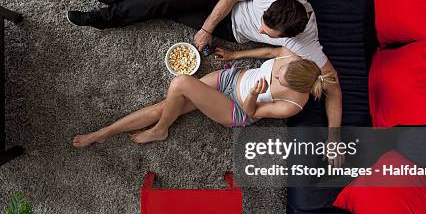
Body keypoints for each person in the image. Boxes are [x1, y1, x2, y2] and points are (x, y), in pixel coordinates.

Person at [67, 0, 343, 163]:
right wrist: (225, 47)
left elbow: (333, 86)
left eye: (268, 32)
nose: (260, 30)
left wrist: (334, 137)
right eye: (263, 23)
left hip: (235, 80)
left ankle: (103, 18)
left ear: (291, 37)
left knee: (178, 83)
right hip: (227, 24)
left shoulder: (305, 52)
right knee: (168, 1)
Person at [73, 47, 336, 147]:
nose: (275, 76)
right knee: (166, 103)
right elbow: (270, 53)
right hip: (231, 78)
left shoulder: (293, 105)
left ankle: (160, 129)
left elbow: (253, 113)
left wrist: (255, 94)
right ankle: (102, 133)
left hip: (238, 109)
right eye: (280, 72)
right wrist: (235, 56)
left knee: (180, 82)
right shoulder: (292, 56)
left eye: (279, 82)